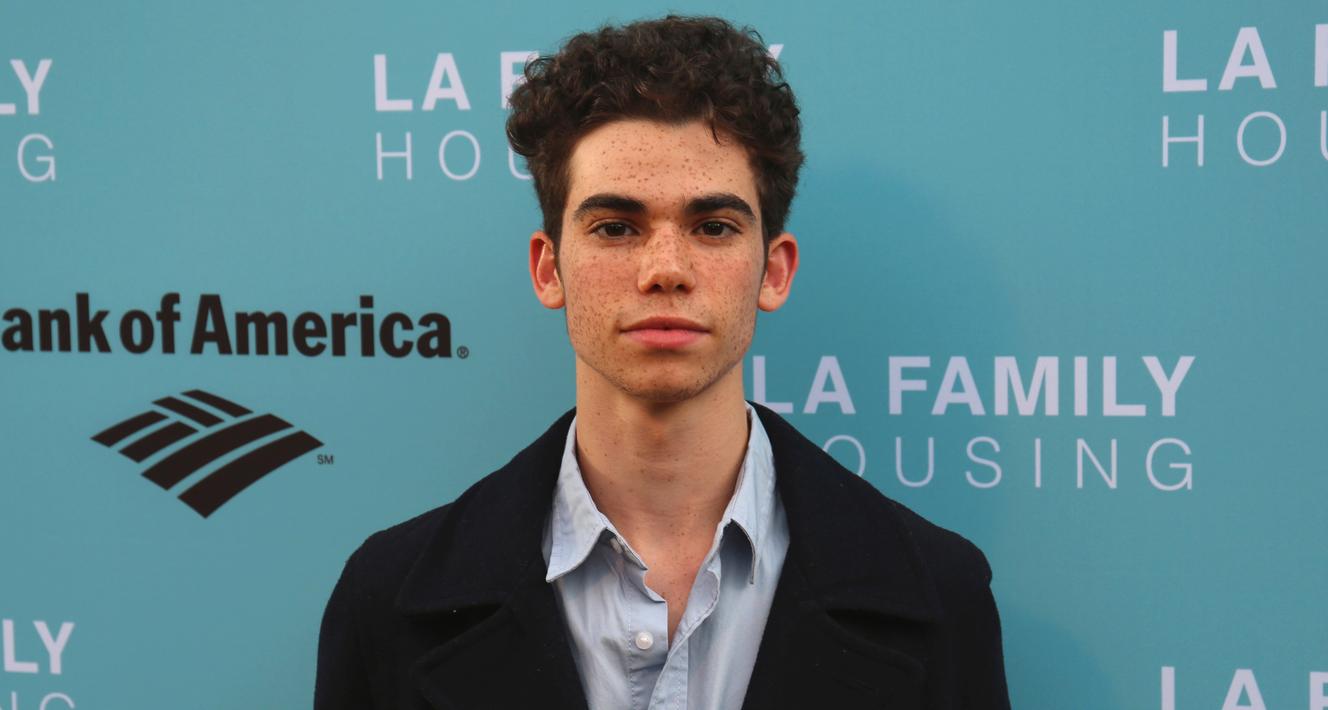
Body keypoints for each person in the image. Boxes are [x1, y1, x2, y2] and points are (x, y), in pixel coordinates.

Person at [315, 14, 1009, 709]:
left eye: (714, 227)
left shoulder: (941, 594)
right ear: (549, 269)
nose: (665, 269)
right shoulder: (385, 602)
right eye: (617, 227)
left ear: (773, 271)